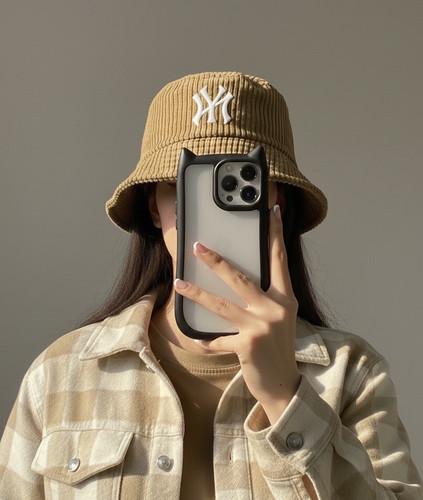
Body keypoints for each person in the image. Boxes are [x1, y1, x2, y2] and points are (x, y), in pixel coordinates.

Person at [0, 72, 421, 499]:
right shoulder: (59, 374)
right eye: (187, 190)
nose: (211, 217)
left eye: (244, 186)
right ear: (154, 208)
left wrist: (286, 398)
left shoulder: (353, 375)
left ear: (277, 203)